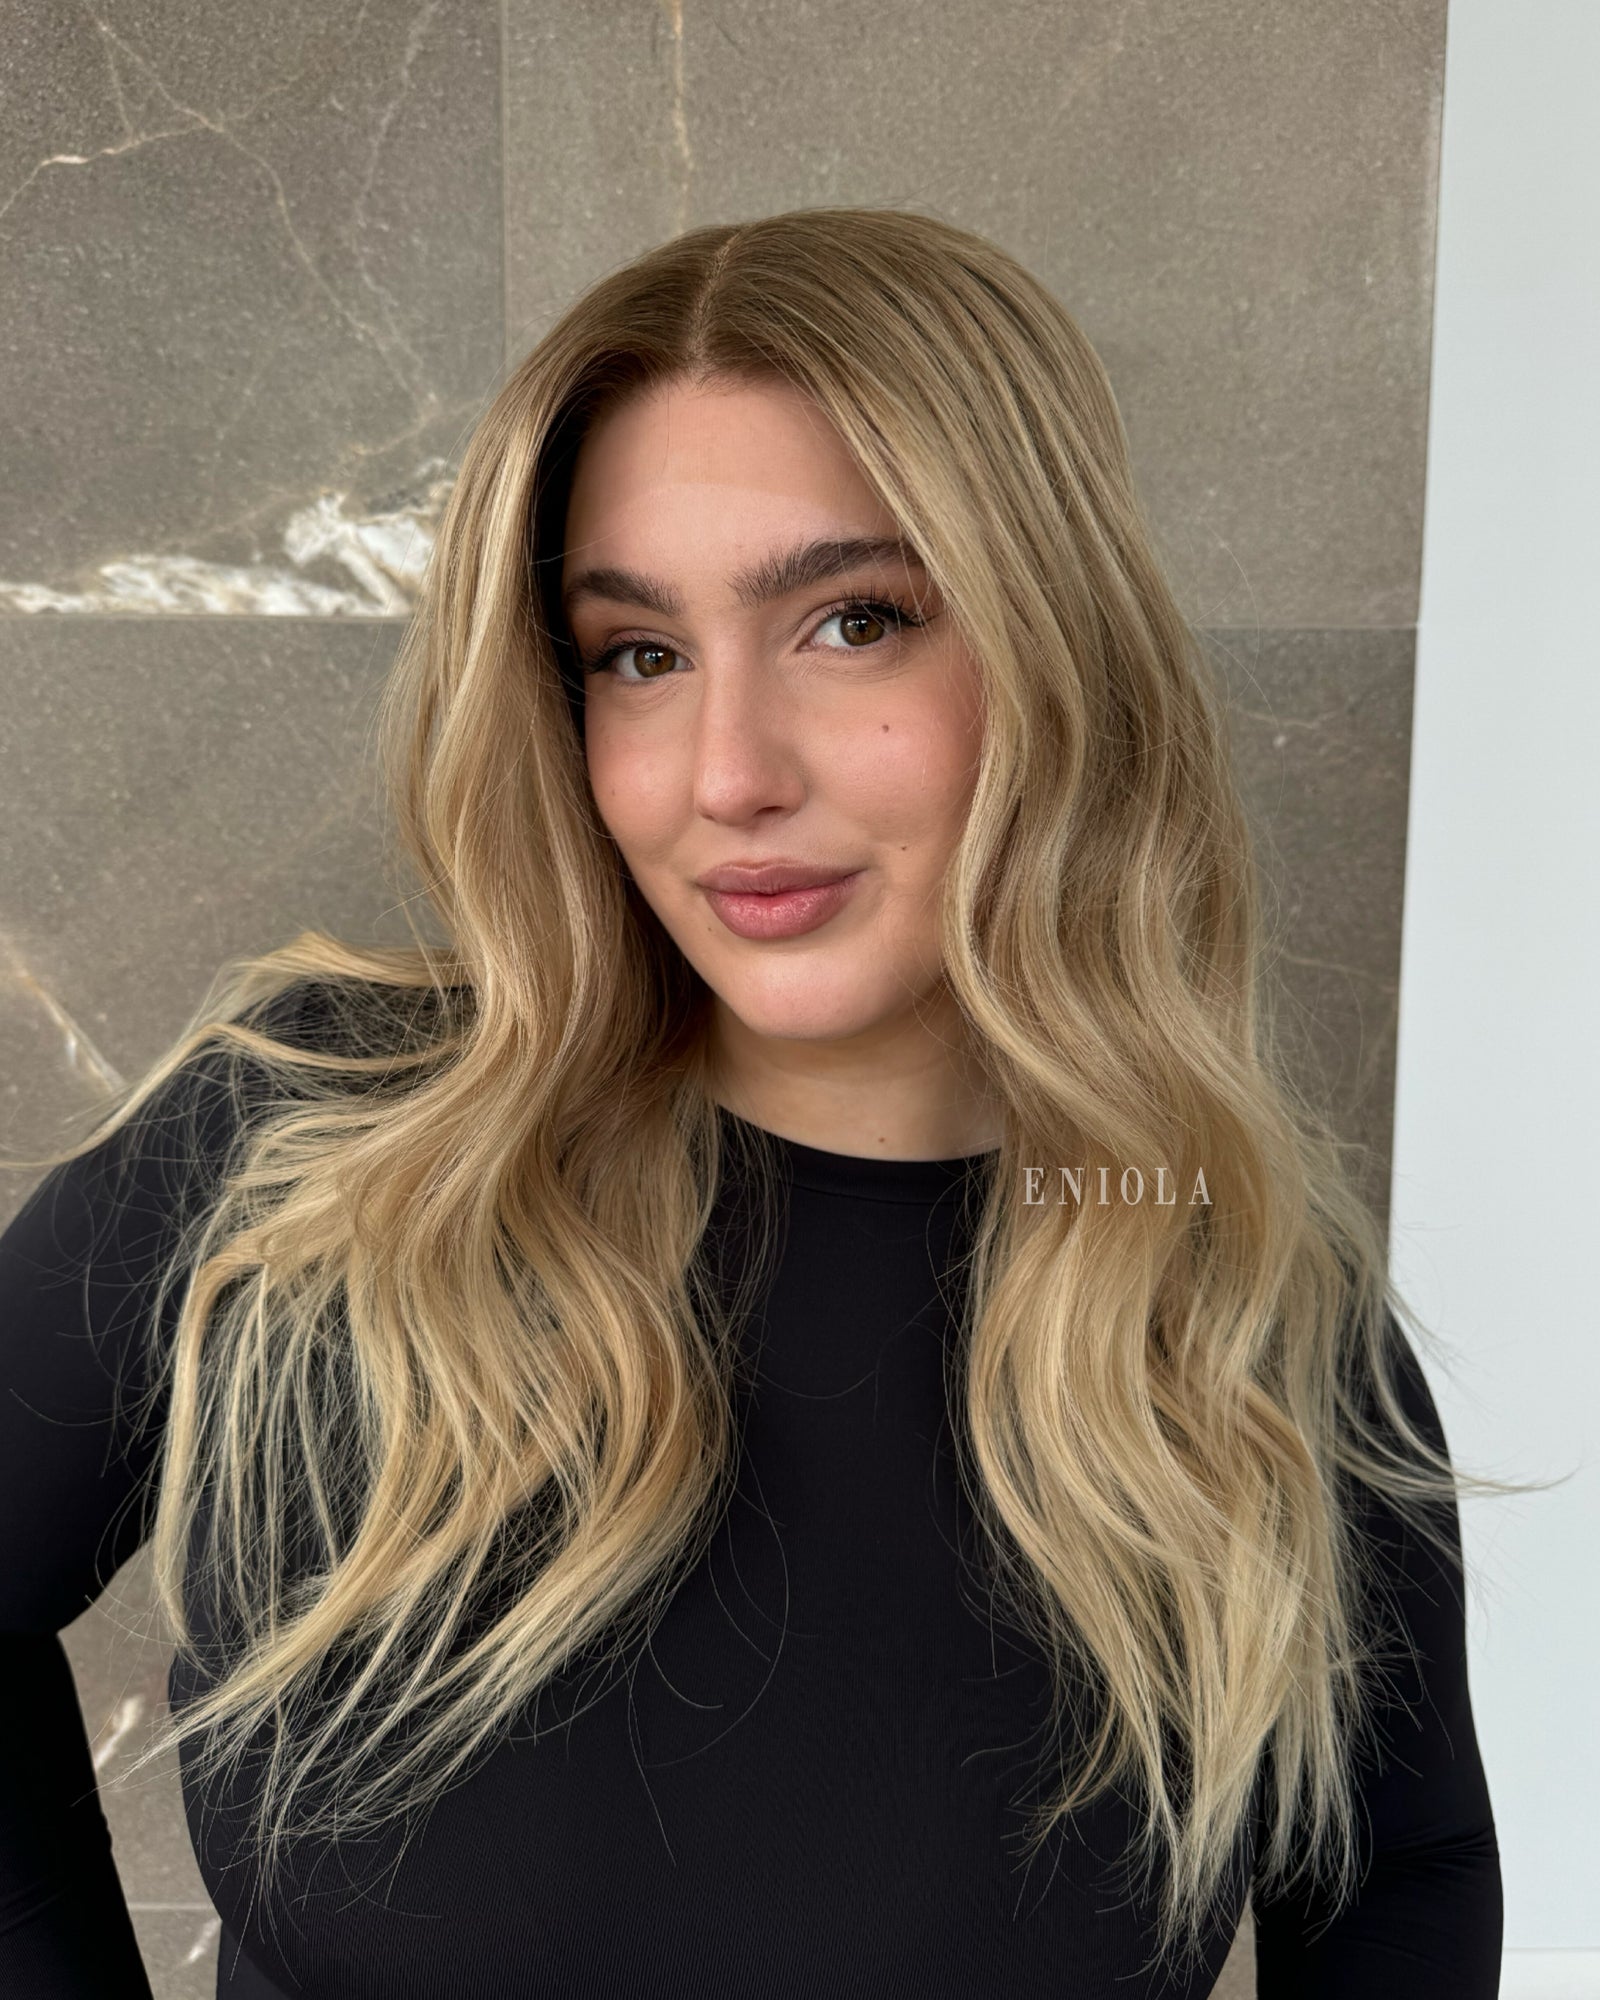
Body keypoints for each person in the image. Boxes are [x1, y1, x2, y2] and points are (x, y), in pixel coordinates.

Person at [0, 207, 1502, 1998]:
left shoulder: (1232, 1307)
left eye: (854, 623)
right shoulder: (303, 1148)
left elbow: (1408, 1869)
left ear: (1057, 645)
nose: (727, 775)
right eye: (639, 653)